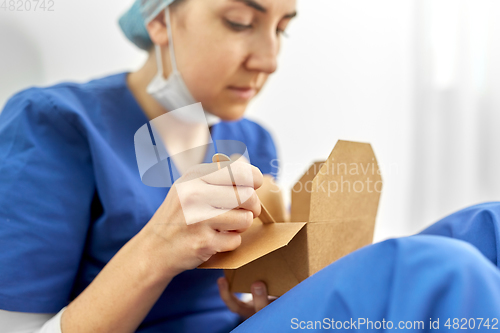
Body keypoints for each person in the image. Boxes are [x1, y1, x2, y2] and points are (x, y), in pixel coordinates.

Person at [0, 0, 297, 331]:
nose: (269, 61)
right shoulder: (53, 124)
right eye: (239, 23)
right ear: (158, 21)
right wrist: (158, 249)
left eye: (282, 29)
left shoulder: (254, 143)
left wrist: (269, 308)